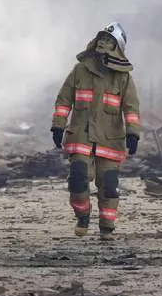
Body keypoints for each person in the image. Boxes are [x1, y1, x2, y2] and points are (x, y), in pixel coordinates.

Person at [51, 22, 141, 241]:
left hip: (110, 140)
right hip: (81, 136)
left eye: (108, 41)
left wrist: (133, 133)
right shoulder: (81, 70)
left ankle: (106, 226)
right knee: (79, 179)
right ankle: (82, 215)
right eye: (101, 39)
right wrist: (58, 125)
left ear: (117, 47)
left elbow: (131, 108)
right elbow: (64, 100)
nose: (103, 43)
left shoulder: (123, 78)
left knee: (109, 185)